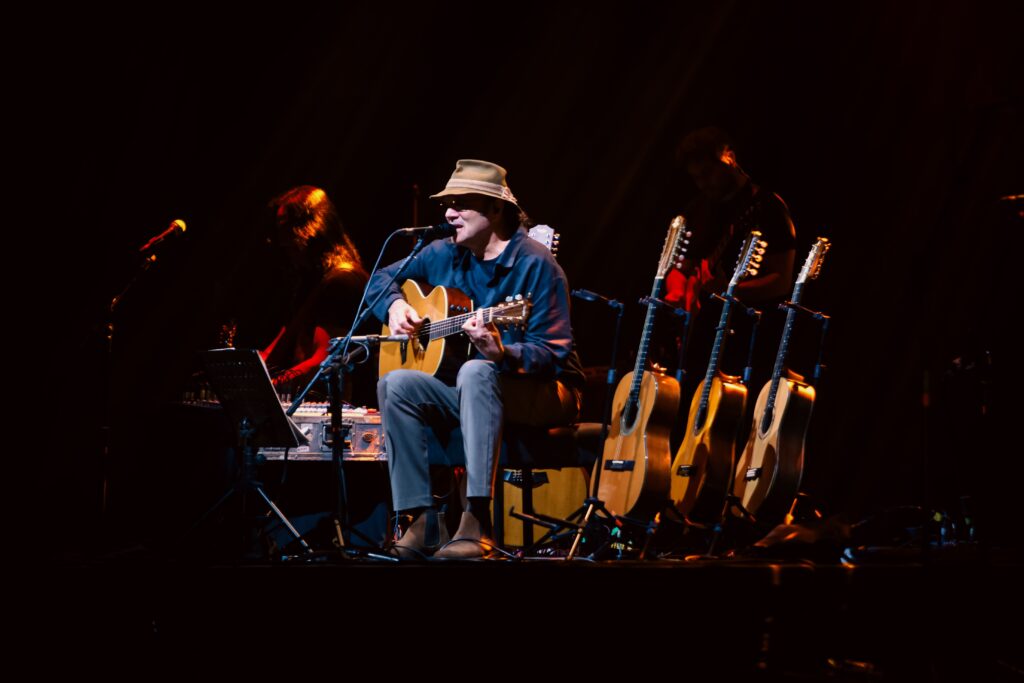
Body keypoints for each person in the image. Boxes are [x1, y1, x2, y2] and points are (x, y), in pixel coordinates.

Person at [369, 159, 585, 559]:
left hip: (547, 392)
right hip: (478, 391)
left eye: (461, 203)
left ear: (496, 209)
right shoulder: (444, 254)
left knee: (476, 370)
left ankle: (477, 520)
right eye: (447, 204)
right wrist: (395, 307)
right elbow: (379, 280)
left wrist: (504, 352)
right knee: (396, 384)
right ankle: (422, 519)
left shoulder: (536, 264)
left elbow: (555, 354)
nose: (449, 213)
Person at [662, 127, 798, 394]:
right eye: (696, 178)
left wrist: (728, 292)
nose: (703, 183)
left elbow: (782, 282)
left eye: (707, 173)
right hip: (700, 338)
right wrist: (678, 293)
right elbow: (680, 267)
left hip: (746, 342)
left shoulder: (766, 208)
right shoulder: (697, 210)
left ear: (729, 158)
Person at [258, 186, 369, 399]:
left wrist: (272, 384)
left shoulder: (342, 280)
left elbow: (324, 357)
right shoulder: (312, 282)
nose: (280, 240)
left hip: (331, 406)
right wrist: (246, 373)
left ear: (310, 230)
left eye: (286, 228)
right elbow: (281, 341)